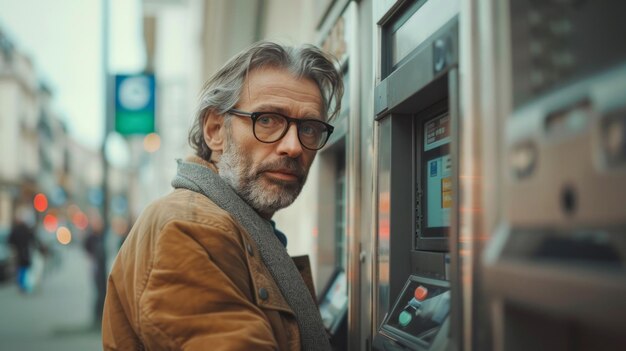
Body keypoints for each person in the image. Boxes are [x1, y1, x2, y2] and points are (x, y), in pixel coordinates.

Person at [102, 41, 343, 350]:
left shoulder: (241, 225)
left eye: (309, 128)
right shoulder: (188, 229)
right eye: (267, 120)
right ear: (215, 130)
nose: (293, 147)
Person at [8, 206, 40, 294]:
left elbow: (10, 240)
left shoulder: (16, 229)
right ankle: (24, 284)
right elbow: (33, 240)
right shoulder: (26, 230)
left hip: (19, 252)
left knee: (21, 268)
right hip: (25, 251)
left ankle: (22, 284)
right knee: (24, 268)